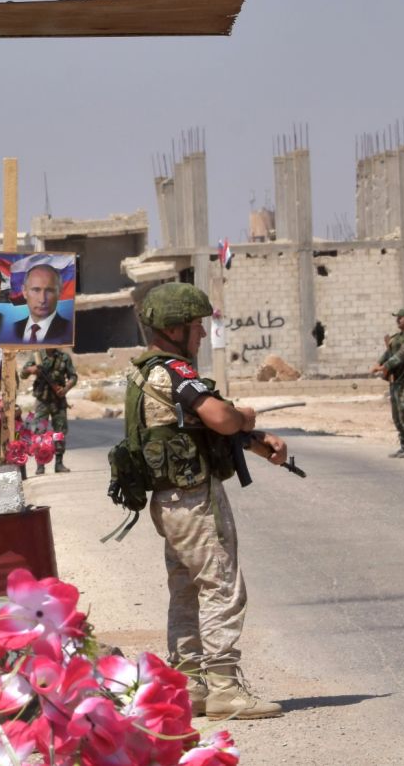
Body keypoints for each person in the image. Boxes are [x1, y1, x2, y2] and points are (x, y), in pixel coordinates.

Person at [126, 283, 290, 719]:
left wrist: (253, 441)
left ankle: (190, 683)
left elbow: (191, 428)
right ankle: (223, 687)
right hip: (193, 497)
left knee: (186, 587)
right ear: (175, 328)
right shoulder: (175, 372)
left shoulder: (145, 372)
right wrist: (246, 417)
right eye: (196, 326)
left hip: (170, 499)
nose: (201, 334)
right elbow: (217, 417)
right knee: (220, 584)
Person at [371, 307, 404, 458]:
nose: (397, 320)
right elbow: (388, 352)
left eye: (400, 317)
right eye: (397, 317)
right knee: (397, 414)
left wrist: (384, 366)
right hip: (395, 379)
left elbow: (403, 354)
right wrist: (378, 363)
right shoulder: (398, 337)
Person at [20, 347, 76, 474]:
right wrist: (31, 369)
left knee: (59, 432)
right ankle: (40, 465)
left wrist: (66, 389)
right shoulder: (37, 355)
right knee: (39, 432)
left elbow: (73, 376)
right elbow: (22, 374)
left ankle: (59, 463)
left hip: (58, 400)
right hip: (42, 401)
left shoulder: (64, 357)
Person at [6, 262, 72, 344]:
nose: (42, 299)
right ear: (24, 291)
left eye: (49, 291)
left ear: (59, 293)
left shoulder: (71, 331)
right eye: (36, 290)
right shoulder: (10, 331)